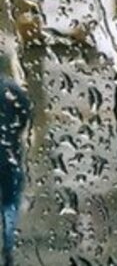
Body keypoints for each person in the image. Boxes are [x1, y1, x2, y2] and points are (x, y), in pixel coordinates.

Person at [0, 59, 29, 266]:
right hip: (9, 152)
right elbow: (25, 113)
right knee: (10, 200)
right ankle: (8, 244)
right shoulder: (11, 88)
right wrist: (14, 136)